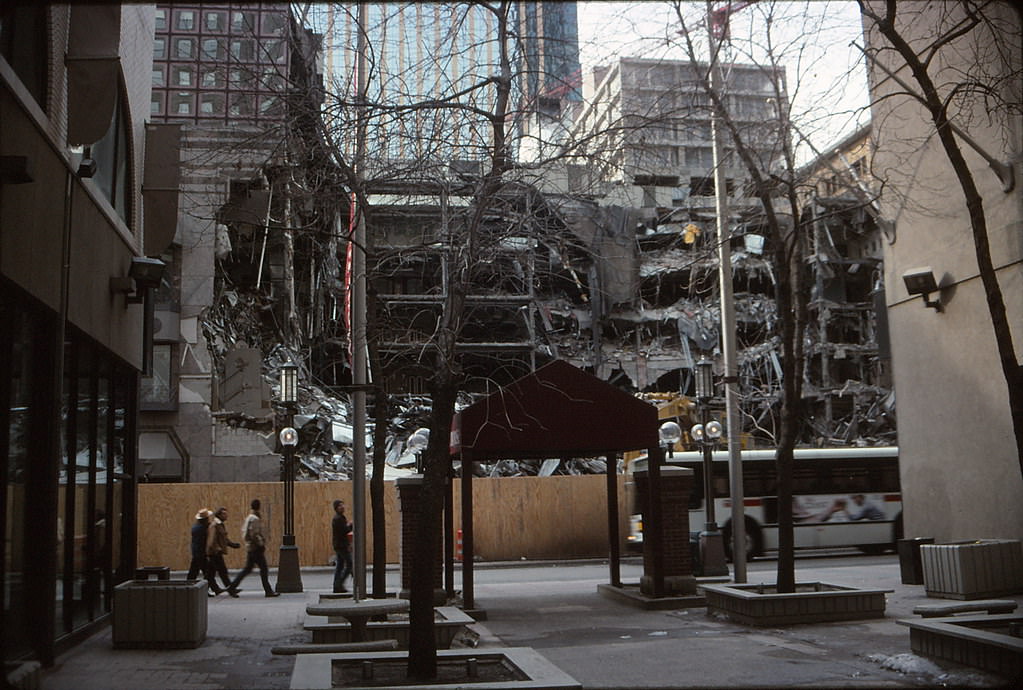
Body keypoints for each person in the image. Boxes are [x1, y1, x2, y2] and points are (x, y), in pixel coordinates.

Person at [228, 499, 279, 597]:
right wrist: (261, 544)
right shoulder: (255, 518)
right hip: (256, 548)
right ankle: (268, 591)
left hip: (250, 548)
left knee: (247, 569)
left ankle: (232, 587)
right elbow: (254, 534)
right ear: (259, 507)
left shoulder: (249, 517)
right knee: (263, 569)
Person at [206, 506, 241, 597]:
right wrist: (217, 548)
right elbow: (212, 540)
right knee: (223, 571)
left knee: (210, 574)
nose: (226, 515)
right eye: (224, 514)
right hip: (215, 553)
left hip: (216, 552)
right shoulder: (215, 525)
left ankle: (205, 589)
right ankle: (231, 590)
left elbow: (224, 539)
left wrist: (232, 545)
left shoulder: (220, 524)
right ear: (219, 515)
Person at [331, 499, 353, 593]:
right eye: (340, 506)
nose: (342, 507)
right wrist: (350, 525)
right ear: (336, 508)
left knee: (340, 565)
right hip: (341, 545)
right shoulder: (338, 519)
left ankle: (337, 586)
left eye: (343, 505)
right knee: (349, 564)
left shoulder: (339, 518)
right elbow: (345, 530)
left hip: (339, 545)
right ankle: (339, 584)